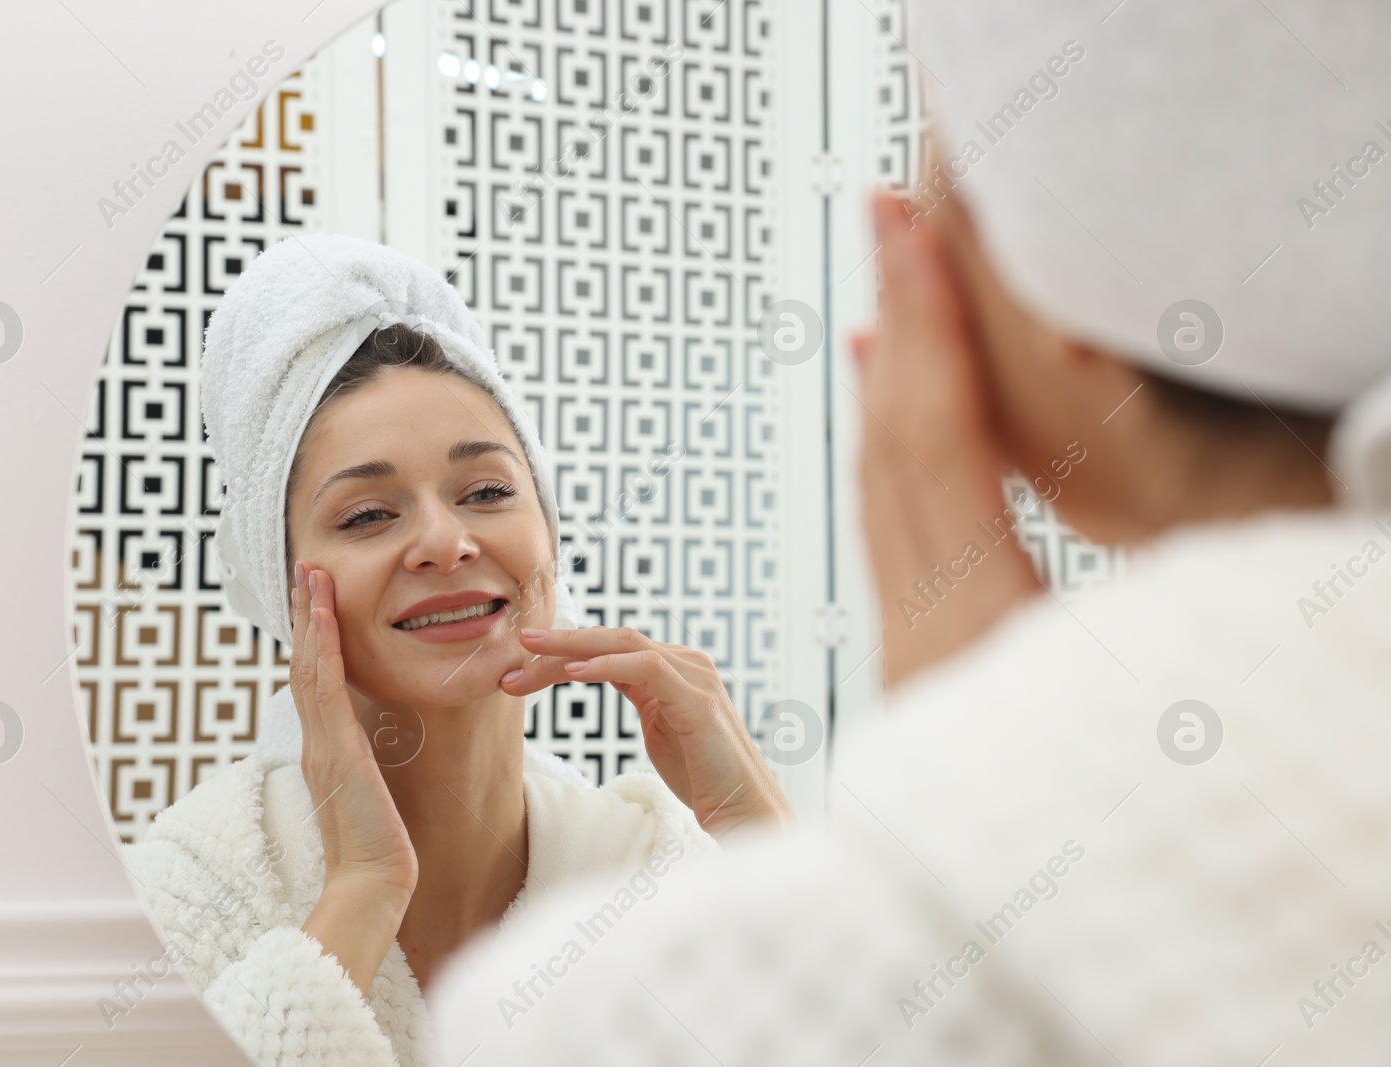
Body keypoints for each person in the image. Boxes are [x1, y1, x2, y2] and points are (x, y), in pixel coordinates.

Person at [426, 1, 1391, 1062]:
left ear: (1060, 301)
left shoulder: (638, 1009)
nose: (443, 545)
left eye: (939, 161)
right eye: (367, 510)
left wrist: (990, 772)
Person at [120, 236, 794, 1066]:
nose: (445, 540)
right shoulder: (186, 891)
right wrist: (362, 891)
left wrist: (765, 842)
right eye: (367, 514)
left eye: (487, 492)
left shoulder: (649, 867)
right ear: (282, 577)